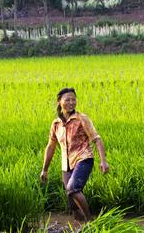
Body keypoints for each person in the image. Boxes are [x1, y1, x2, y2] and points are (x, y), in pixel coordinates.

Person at [40, 88, 109, 222]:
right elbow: (51, 147)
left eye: (73, 99)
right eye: (67, 100)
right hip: (66, 165)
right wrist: (45, 169)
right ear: (59, 102)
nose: (71, 102)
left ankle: (91, 222)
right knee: (72, 202)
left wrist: (103, 161)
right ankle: (80, 229)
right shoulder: (56, 124)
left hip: (84, 159)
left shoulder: (81, 119)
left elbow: (97, 139)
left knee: (73, 188)